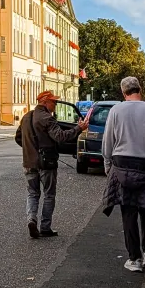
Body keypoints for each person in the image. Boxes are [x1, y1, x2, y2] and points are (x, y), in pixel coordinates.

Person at [101, 77, 145, 272]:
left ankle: (134, 258)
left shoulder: (116, 110)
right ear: (140, 90)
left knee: (128, 211)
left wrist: (107, 164)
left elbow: (108, 141)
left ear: (124, 93)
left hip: (122, 163)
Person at [16, 91, 88, 239]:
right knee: (49, 194)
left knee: (33, 193)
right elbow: (60, 137)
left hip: (29, 162)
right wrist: (78, 128)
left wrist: (30, 149)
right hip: (46, 163)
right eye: (53, 101)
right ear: (45, 101)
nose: (55, 104)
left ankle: (31, 219)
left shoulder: (26, 117)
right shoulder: (48, 118)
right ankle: (45, 227)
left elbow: (18, 138)